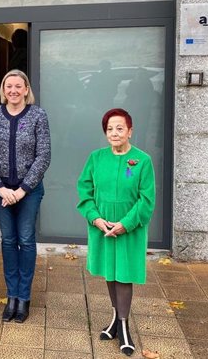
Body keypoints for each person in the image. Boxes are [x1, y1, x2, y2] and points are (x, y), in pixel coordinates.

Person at [76, 108, 155, 356]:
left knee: (124, 274)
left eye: (120, 128)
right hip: (102, 227)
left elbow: (146, 199)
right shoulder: (96, 158)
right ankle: (115, 317)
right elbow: (84, 191)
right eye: (110, 129)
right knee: (110, 271)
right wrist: (96, 219)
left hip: (128, 229)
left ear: (130, 131)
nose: (114, 133)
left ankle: (123, 325)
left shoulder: (143, 160)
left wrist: (125, 224)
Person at [0, 69, 51, 323]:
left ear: (26, 89)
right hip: (2, 191)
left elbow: (43, 156)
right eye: (8, 86)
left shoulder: (38, 115)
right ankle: (11, 295)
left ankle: (24, 298)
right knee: (8, 241)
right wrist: (0, 187)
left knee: (26, 240)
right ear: (3, 89)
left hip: (28, 192)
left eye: (18, 86)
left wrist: (21, 191)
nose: (13, 91)